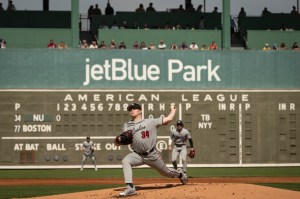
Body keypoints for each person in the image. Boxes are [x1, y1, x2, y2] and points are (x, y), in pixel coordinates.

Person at [116, 103, 188, 197]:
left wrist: (173, 110)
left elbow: (169, 119)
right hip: (137, 155)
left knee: (167, 172)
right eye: (130, 109)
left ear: (140, 110)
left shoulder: (150, 121)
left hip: (151, 155)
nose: (132, 110)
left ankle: (180, 174)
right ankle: (130, 188)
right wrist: (117, 141)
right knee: (126, 161)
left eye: (134, 108)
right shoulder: (126, 125)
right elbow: (119, 142)